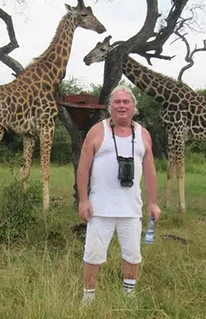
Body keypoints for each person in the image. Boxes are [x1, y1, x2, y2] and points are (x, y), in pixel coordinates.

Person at [77, 85, 162, 305]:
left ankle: (128, 295)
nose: (122, 106)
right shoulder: (97, 131)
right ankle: (89, 297)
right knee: (93, 254)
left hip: (131, 209)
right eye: (117, 102)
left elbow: (151, 171)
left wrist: (153, 203)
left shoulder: (143, 134)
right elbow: (83, 167)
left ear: (134, 106)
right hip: (100, 208)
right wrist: (83, 200)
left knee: (133, 254)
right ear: (110, 107)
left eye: (126, 102)